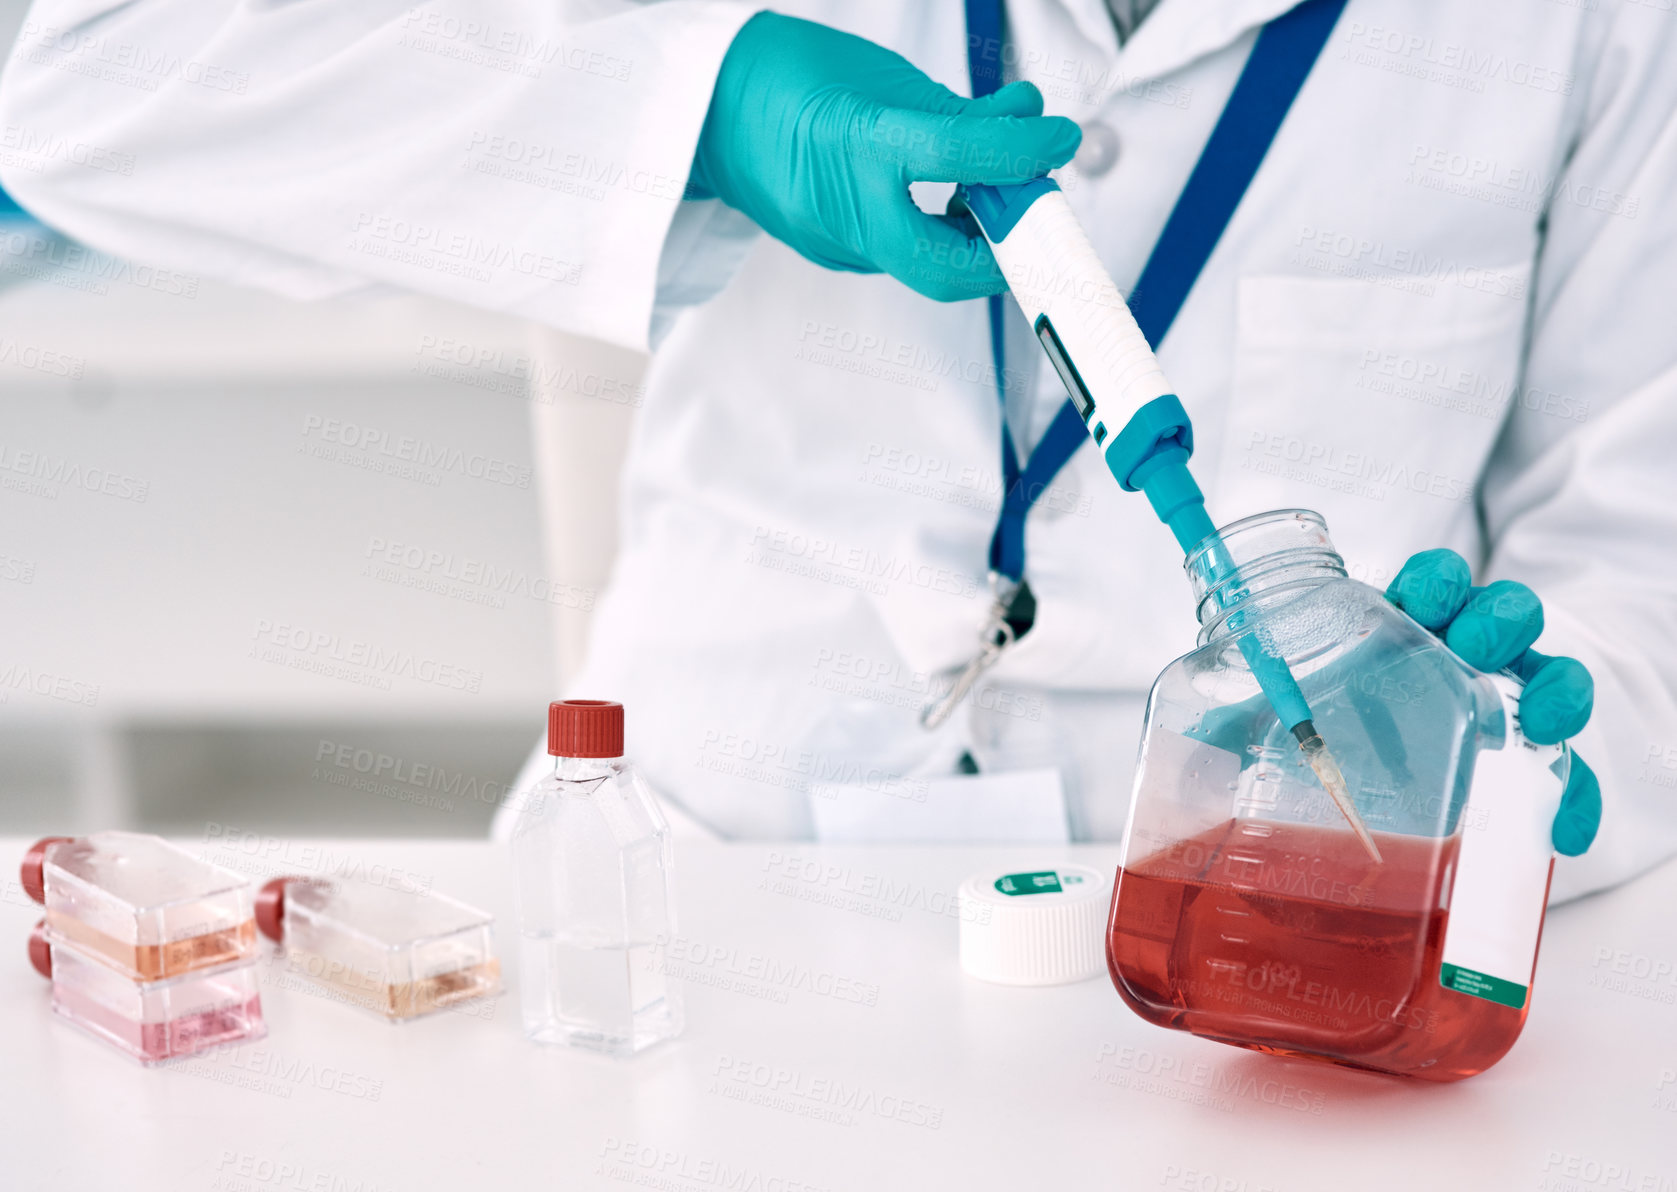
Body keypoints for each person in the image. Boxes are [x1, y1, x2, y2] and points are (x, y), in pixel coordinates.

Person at [2, 0, 1671, 901]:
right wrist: (684, 109)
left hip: (1260, 887)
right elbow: (72, 79)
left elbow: (1637, 549)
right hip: (698, 862)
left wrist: (1495, 765)